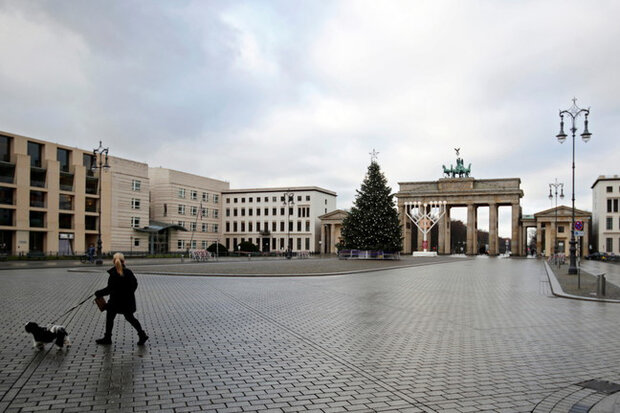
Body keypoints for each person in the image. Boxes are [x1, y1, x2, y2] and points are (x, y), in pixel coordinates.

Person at [94, 252, 148, 345]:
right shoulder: (129, 272)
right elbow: (135, 284)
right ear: (124, 261)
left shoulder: (113, 273)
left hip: (115, 302)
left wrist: (98, 293)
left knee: (110, 318)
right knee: (130, 318)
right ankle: (142, 335)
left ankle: (107, 338)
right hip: (127, 301)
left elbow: (109, 289)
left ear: (113, 261)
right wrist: (129, 293)